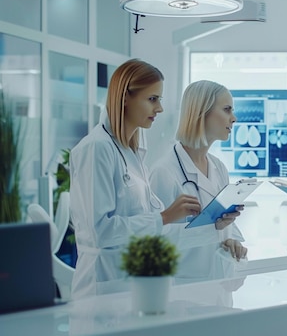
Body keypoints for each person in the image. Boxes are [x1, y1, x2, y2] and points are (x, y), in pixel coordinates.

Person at [70, 59, 201, 299]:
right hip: (103, 284)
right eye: (152, 99)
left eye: (159, 99)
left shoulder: (133, 151)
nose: (160, 108)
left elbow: (149, 227)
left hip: (132, 285)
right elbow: (101, 231)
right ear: (125, 98)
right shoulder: (97, 148)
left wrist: (213, 228)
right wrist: (164, 216)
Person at [150, 80, 247, 283]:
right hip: (182, 291)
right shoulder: (165, 172)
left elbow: (224, 228)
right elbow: (155, 242)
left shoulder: (218, 167)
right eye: (227, 110)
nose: (234, 118)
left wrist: (234, 243)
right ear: (202, 112)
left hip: (219, 286)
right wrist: (212, 229)